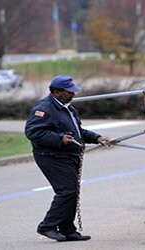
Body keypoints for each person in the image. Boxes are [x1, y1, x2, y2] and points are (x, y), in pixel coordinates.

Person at [25, 75, 108, 242]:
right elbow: (33, 132)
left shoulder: (68, 108)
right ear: (56, 92)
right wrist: (59, 139)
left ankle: (67, 229)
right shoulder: (44, 108)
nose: (73, 95)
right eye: (69, 92)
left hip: (69, 155)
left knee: (72, 191)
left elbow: (78, 131)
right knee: (67, 190)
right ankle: (47, 226)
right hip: (51, 156)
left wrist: (97, 137)